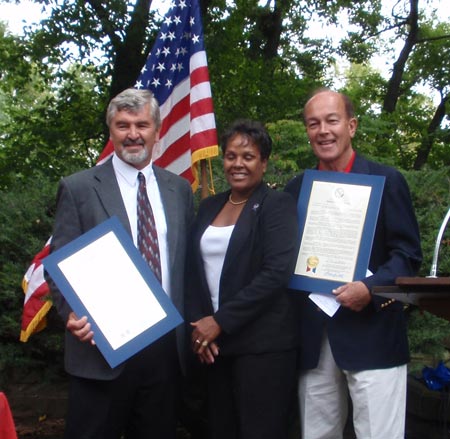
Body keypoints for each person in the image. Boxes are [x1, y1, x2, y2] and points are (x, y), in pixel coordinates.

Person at [47, 88, 194, 439]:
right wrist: (70, 314)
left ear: (157, 130)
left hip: (164, 351)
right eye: (122, 125)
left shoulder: (179, 190)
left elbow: (186, 266)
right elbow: (59, 263)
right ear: (111, 130)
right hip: (101, 349)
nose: (132, 134)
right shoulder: (79, 188)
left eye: (141, 124)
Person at [285, 89, 422, 439]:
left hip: (373, 333)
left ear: (352, 126)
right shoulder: (296, 188)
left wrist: (371, 289)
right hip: (314, 337)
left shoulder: (386, 180)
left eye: (332, 120)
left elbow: (406, 256)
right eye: (313, 124)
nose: (323, 131)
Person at [186, 120, 300, 439]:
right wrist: (199, 328)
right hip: (215, 345)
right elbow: (192, 271)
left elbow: (275, 274)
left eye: (248, 157)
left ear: (263, 163)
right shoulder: (209, 206)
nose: (238, 164)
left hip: (264, 347)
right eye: (231, 156)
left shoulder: (277, 206)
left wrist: (220, 321)